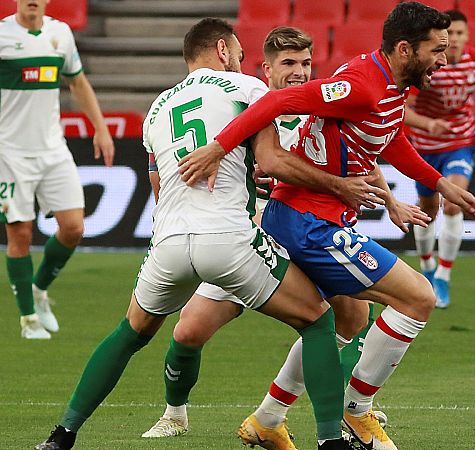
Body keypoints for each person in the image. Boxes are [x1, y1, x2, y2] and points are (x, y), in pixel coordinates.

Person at [35, 18, 375, 450]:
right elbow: (270, 160)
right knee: (317, 319)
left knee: (130, 332)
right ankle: (331, 441)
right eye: (236, 52)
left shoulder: (156, 109)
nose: (239, 60)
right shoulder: (247, 89)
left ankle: (62, 434)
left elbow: (159, 188)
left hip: (169, 242)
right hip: (229, 239)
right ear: (221, 49)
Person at [178, 3, 475, 449]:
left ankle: (268, 418)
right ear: (406, 49)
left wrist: (438, 183)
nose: (444, 59)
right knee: (417, 297)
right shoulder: (362, 85)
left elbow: (390, 136)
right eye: (436, 50)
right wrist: (218, 147)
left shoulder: (388, 82)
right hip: (308, 222)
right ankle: (355, 409)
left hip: (317, 217)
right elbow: (277, 101)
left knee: (346, 316)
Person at [139, 26, 421, 450]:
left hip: (304, 231)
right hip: (246, 238)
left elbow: (363, 155)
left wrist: (390, 200)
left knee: (350, 317)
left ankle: (294, 413)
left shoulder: (318, 106)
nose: (299, 73)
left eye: (306, 64)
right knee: (189, 330)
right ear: (265, 68)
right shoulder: (245, 105)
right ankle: (174, 414)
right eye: (289, 64)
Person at [0, 0, 115, 339]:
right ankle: (28, 320)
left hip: (52, 148)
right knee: (20, 235)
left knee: (74, 228)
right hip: (11, 152)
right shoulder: (3, 35)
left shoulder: (60, 33)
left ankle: (39, 289)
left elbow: (77, 83)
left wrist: (101, 127)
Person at [404, 9, 475, 309]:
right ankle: (427, 267)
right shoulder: (425, 65)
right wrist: (428, 124)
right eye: (451, 35)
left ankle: (444, 277)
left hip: (460, 142)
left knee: (453, 202)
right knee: (427, 212)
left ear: (467, 35)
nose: (456, 40)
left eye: (461, 34)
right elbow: (403, 110)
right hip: (424, 146)